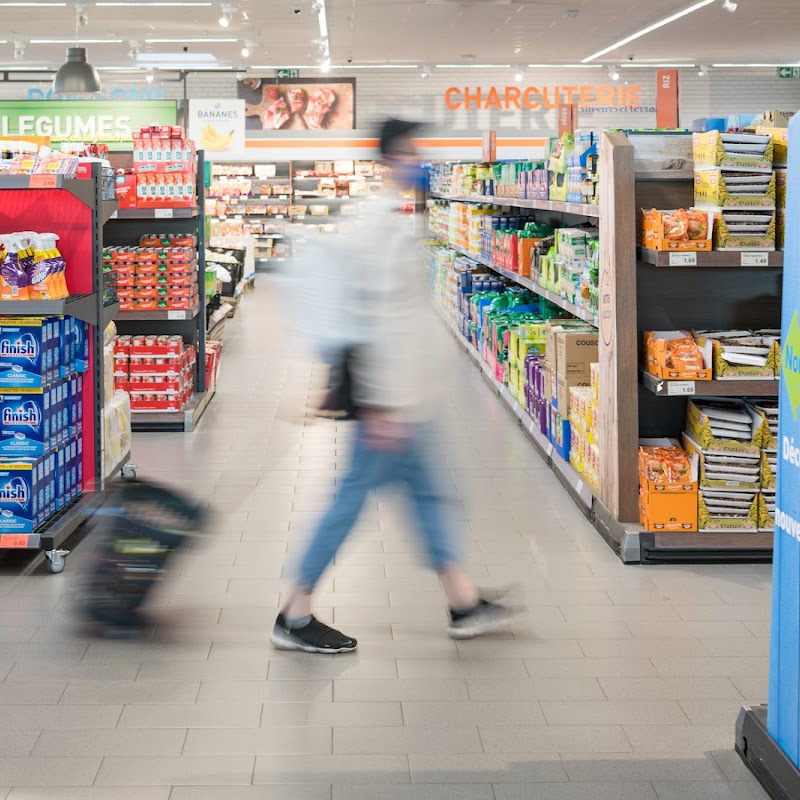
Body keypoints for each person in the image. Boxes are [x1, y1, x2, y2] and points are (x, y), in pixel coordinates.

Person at [272, 118, 513, 654]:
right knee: (351, 499)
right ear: (391, 159)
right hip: (389, 401)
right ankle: (294, 610)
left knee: (428, 494)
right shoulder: (380, 223)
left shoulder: (391, 217)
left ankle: (464, 600)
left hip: (407, 397)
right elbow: (375, 317)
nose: (417, 163)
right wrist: (382, 404)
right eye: (410, 154)